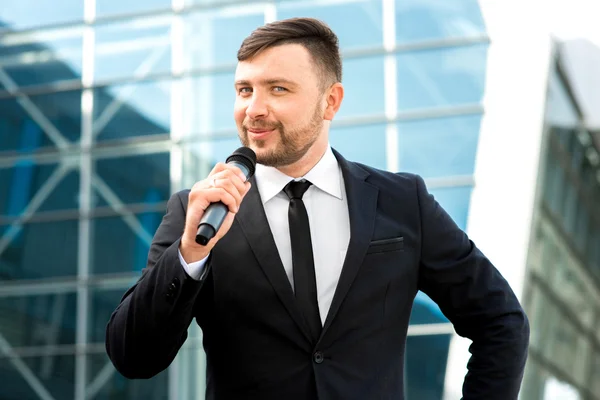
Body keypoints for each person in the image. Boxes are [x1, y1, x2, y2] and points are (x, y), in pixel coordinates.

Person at [105, 17, 529, 400]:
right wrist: (190, 255)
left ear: (331, 102)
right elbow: (133, 358)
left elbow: (501, 323)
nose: (254, 109)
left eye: (278, 89)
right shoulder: (196, 210)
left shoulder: (403, 202)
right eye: (244, 90)